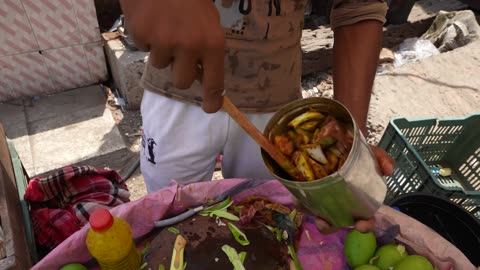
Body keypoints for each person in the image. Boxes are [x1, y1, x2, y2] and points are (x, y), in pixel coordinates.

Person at [120, 0, 395, 231]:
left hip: (275, 110)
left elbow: (358, 7)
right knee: (170, 220)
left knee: (264, 224)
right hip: (177, 86)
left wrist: (350, 147)